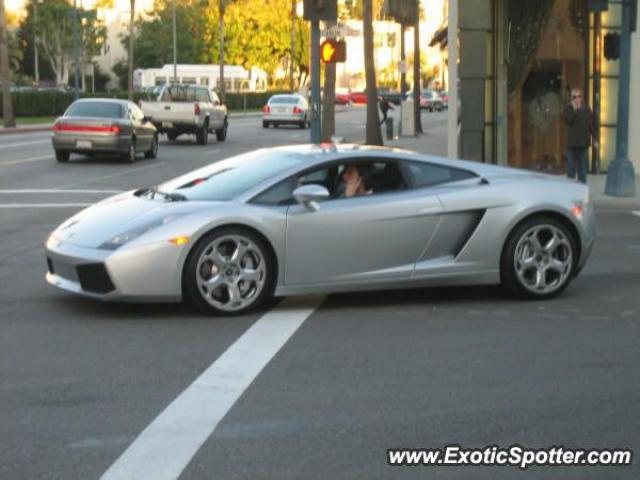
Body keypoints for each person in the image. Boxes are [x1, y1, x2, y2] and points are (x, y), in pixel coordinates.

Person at [563, 88, 598, 184]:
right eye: (574, 97)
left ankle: (582, 189)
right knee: (571, 170)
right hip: (571, 145)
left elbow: (591, 124)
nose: (577, 99)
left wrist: (595, 139)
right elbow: (568, 120)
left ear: (581, 97)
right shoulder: (568, 108)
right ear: (571, 98)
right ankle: (571, 190)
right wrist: (575, 110)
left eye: (579, 96)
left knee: (582, 169)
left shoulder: (586, 108)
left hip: (583, 143)